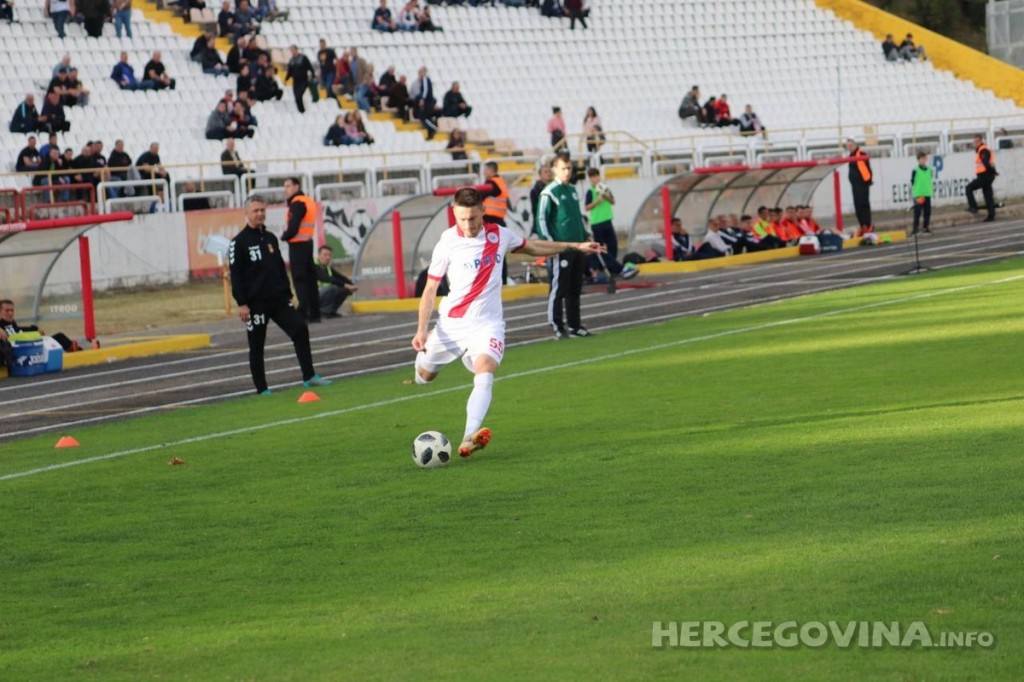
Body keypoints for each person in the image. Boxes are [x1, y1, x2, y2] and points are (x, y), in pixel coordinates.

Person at [411, 187, 605, 456]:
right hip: (452, 324)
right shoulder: (447, 242)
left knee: (486, 370)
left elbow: (533, 246)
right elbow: (430, 289)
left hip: (487, 324)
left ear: (483, 213)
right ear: (454, 213)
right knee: (425, 376)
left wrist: (574, 246)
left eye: (474, 219)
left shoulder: (499, 235)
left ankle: (469, 436)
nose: (468, 225)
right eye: (463, 219)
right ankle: (423, 364)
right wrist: (421, 330)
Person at [228, 196, 332, 395]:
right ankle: (262, 388)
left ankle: (309, 376)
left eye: (262, 210)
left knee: (300, 329)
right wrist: (242, 303)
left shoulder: (270, 239)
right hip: (255, 303)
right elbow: (236, 275)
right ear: (246, 214)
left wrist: (287, 293)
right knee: (257, 344)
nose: (259, 214)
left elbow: (279, 268)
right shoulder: (239, 243)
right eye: (255, 211)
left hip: (278, 300)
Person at [537, 155, 604, 338]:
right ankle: (557, 325)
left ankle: (575, 325)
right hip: (562, 249)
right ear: (554, 170)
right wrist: (552, 246)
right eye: (563, 168)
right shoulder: (549, 192)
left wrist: (585, 239)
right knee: (558, 288)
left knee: (575, 287)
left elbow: (576, 219)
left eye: (569, 168)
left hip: (578, 247)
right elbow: (542, 221)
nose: (567, 172)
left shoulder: (573, 190)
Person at [584, 168, 638, 280]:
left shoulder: (605, 188)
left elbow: (613, 201)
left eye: (596, 176)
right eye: (592, 177)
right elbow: (587, 207)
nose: (595, 179)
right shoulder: (590, 191)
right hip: (596, 222)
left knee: (613, 245)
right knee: (601, 248)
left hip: (607, 220)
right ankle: (603, 268)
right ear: (590, 179)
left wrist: (605, 196)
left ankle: (612, 266)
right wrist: (597, 201)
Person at [282, 177, 320, 323]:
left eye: (288, 186)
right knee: (311, 279)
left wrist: (285, 236)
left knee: (300, 279)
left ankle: (303, 311)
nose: (286, 189)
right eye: (284, 186)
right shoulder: (308, 200)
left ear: (296, 186)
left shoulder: (297, 203)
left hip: (298, 245)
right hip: (307, 243)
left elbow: (294, 225)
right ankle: (315, 312)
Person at [1, 299, 82, 353]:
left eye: (12, 310)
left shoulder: (11, 323)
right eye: (7, 311)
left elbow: (18, 330)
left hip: (25, 345)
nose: (10, 313)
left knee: (59, 336)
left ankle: (78, 351)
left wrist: (35, 329)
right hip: (16, 349)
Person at [314, 245, 357, 318]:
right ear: (319, 255)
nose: (327, 257)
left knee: (345, 290)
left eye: (329, 255)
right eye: (325, 255)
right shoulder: (313, 266)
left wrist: (352, 285)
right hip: (312, 296)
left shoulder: (328, 268)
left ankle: (331, 311)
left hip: (321, 294)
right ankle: (323, 312)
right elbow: (326, 278)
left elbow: (341, 277)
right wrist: (345, 285)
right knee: (333, 288)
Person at [966, 134, 997, 222]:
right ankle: (991, 215)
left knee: (969, 188)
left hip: (985, 175)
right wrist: (993, 172)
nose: (975, 143)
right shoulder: (982, 149)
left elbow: (986, 163)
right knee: (988, 195)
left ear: (980, 141)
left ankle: (973, 207)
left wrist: (993, 172)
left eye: (976, 141)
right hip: (987, 175)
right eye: (974, 141)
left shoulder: (983, 150)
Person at [845, 139, 873, 236]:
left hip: (862, 184)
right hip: (855, 185)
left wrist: (867, 181)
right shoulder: (851, 156)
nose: (849, 147)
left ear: (855, 145)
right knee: (857, 205)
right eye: (848, 146)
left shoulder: (860, 154)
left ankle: (867, 225)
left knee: (863, 204)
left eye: (851, 145)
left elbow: (865, 169)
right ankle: (862, 225)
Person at [285, 45, 318, 114]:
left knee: (299, 95)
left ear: (296, 50)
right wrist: (286, 79)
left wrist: (313, 76)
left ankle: (302, 111)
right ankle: (301, 111)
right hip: (296, 81)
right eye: (291, 51)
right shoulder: (292, 60)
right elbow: (290, 72)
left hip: (303, 80)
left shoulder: (303, 58)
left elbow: (310, 67)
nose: (292, 52)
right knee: (297, 97)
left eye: (293, 50)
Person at [910, 151, 933, 235]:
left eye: (925, 158)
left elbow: (930, 178)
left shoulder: (929, 169)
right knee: (917, 212)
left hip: (927, 194)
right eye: (922, 158)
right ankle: (915, 229)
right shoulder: (915, 170)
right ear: (918, 160)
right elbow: (912, 181)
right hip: (919, 194)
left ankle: (925, 228)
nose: (924, 160)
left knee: (927, 212)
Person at [529, 164, 552, 232]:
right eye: (545, 172)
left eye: (549, 171)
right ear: (540, 175)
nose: (548, 174)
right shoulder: (535, 191)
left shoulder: (555, 188)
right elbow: (536, 211)